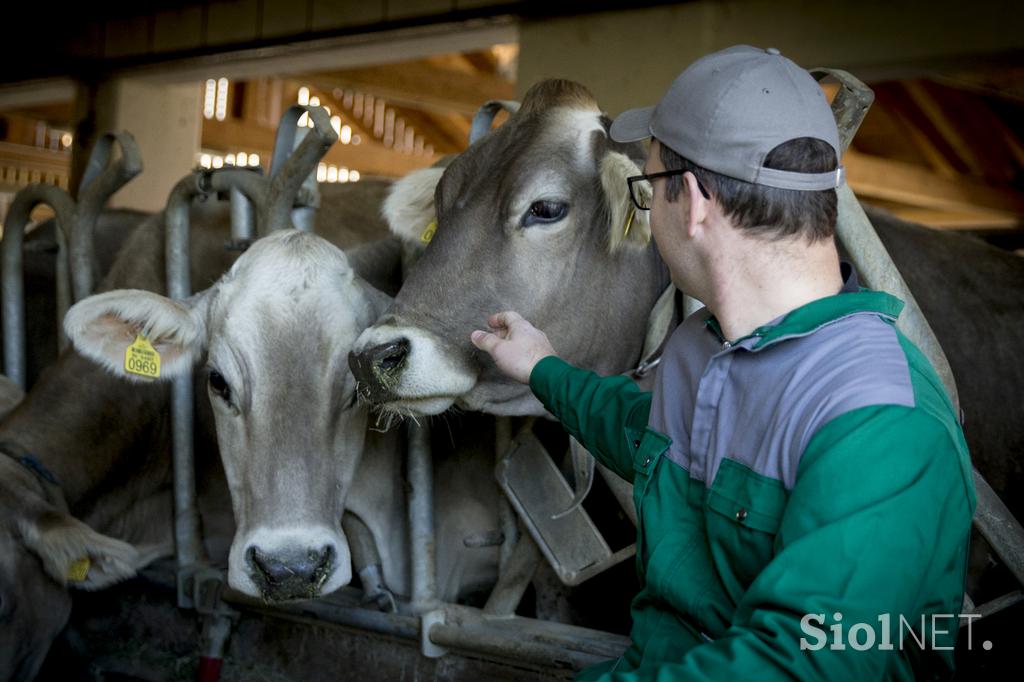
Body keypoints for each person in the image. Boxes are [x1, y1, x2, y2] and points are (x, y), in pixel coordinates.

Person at [470, 45, 976, 680]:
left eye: (647, 188)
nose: (648, 212)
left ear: (695, 201)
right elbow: (647, 433)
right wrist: (541, 367)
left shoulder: (879, 419)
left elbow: (796, 666)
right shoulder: (704, 345)